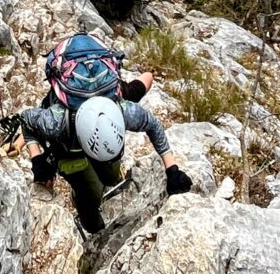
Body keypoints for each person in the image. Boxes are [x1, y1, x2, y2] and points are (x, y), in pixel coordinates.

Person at [18, 93, 193, 234]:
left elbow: (153, 124)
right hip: (69, 153)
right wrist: (37, 158)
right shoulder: (55, 122)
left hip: (96, 145)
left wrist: (172, 169)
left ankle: (99, 181)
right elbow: (25, 120)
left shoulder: (122, 111)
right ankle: (93, 224)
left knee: (110, 177)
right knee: (90, 194)